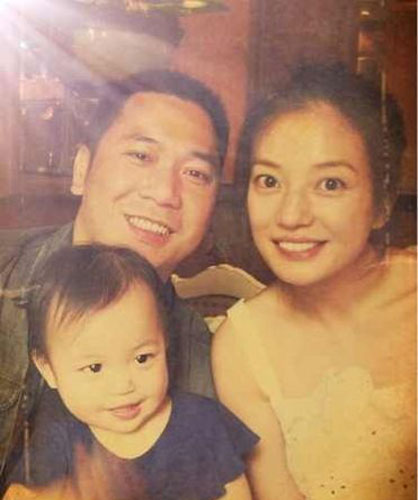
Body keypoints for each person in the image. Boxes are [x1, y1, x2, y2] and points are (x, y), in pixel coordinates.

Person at [0, 70, 229, 483]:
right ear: (81, 169)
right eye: (141, 155)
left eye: (195, 173)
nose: (165, 193)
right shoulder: (5, 271)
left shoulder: (202, 358)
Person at [212, 64, 416, 500]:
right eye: (269, 181)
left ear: (382, 202)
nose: (291, 216)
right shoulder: (241, 347)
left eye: (330, 184)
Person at [4, 244, 257, 500]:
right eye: (94, 368)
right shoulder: (53, 439)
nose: (123, 385)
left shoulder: (203, 422)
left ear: (165, 343)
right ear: (48, 369)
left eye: (142, 358)